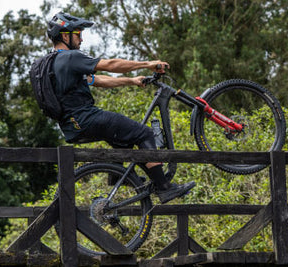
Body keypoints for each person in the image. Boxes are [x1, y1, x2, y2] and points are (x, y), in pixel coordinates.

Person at [45, 12, 195, 203]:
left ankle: (117, 174)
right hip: (85, 118)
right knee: (144, 134)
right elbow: (111, 65)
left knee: (124, 140)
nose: (81, 39)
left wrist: (131, 81)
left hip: (71, 125)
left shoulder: (54, 63)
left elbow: (96, 80)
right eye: (78, 34)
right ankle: (164, 187)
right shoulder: (70, 57)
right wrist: (147, 64)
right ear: (65, 36)